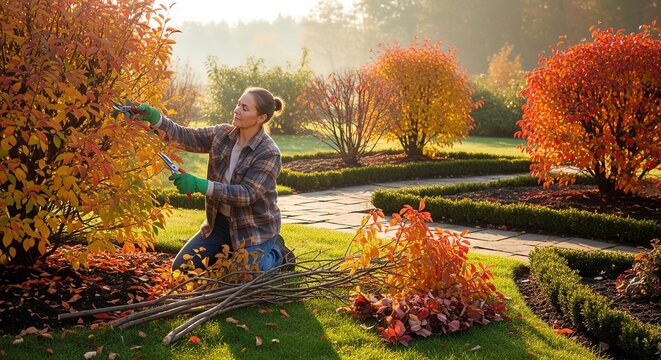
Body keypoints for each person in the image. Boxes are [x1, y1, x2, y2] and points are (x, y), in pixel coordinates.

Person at [136, 87, 294, 272]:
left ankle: (278, 255)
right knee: (181, 269)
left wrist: (199, 185)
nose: (237, 110)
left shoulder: (268, 152)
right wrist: (157, 119)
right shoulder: (222, 134)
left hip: (254, 230)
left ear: (261, 118)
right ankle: (229, 253)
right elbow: (185, 136)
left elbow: (246, 194)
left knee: (246, 274)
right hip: (219, 225)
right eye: (238, 104)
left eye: (245, 108)